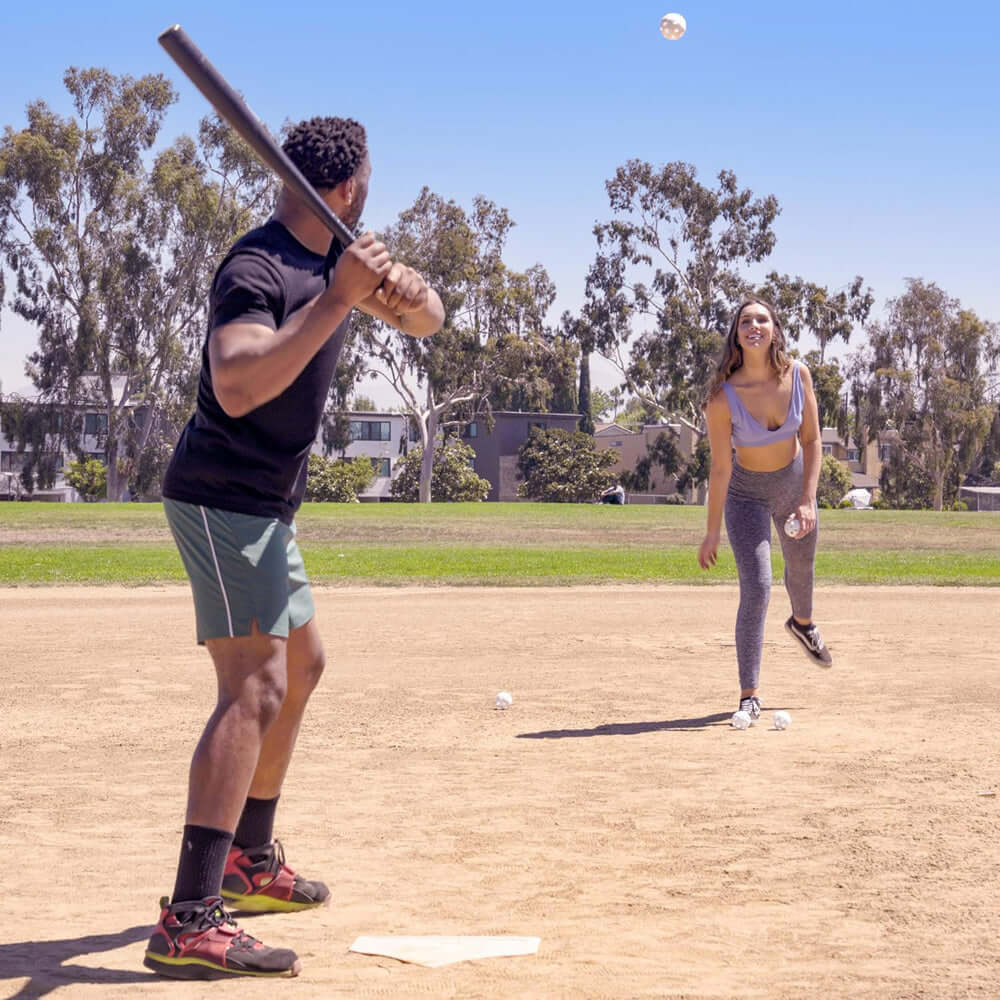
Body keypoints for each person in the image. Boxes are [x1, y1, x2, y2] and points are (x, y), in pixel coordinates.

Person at [145, 116, 444, 980]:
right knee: (257, 685)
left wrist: (395, 287)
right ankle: (192, 914)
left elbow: (429, 321)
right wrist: (340, 298)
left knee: (303, 665)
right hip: (222, 497)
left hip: (269, 508)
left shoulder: (336, 259)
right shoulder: (258, 268)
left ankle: (248, 859)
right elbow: (237, 385)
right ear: (352, 183)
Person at [697, 298, 833, 728]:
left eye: (762, 319)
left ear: (774, 328)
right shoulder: (722, 397)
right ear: (736, 334)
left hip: (793, 487)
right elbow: (720, 468)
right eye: (745, 321)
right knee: (756, 589)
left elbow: (812, 442)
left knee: (800, 570)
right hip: (746, 496)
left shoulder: (798, 376)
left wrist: (808, 498)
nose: (753, 325)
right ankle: (749, 695)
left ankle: (803, 623)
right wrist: (711, 532)